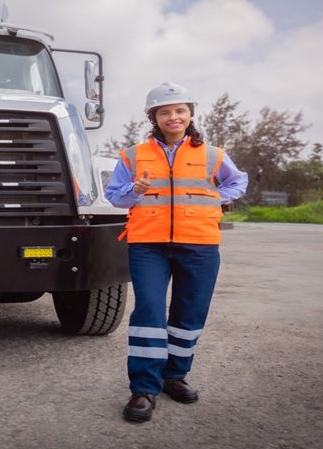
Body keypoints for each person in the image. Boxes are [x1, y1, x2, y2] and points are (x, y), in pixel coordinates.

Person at [104, 82, 248, 423]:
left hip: (198, 243)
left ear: (190, 114)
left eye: (180, 110)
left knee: (189, 314)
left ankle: (174, 376)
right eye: (165, 111)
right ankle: (143, 388)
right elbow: (115, 196)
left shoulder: (212, 154)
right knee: (150, 312)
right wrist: (132, 189)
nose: (174, 117)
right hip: (148, 244)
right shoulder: (133, 155)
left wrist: (216, 195)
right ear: (154, 117)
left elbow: (237, 182)